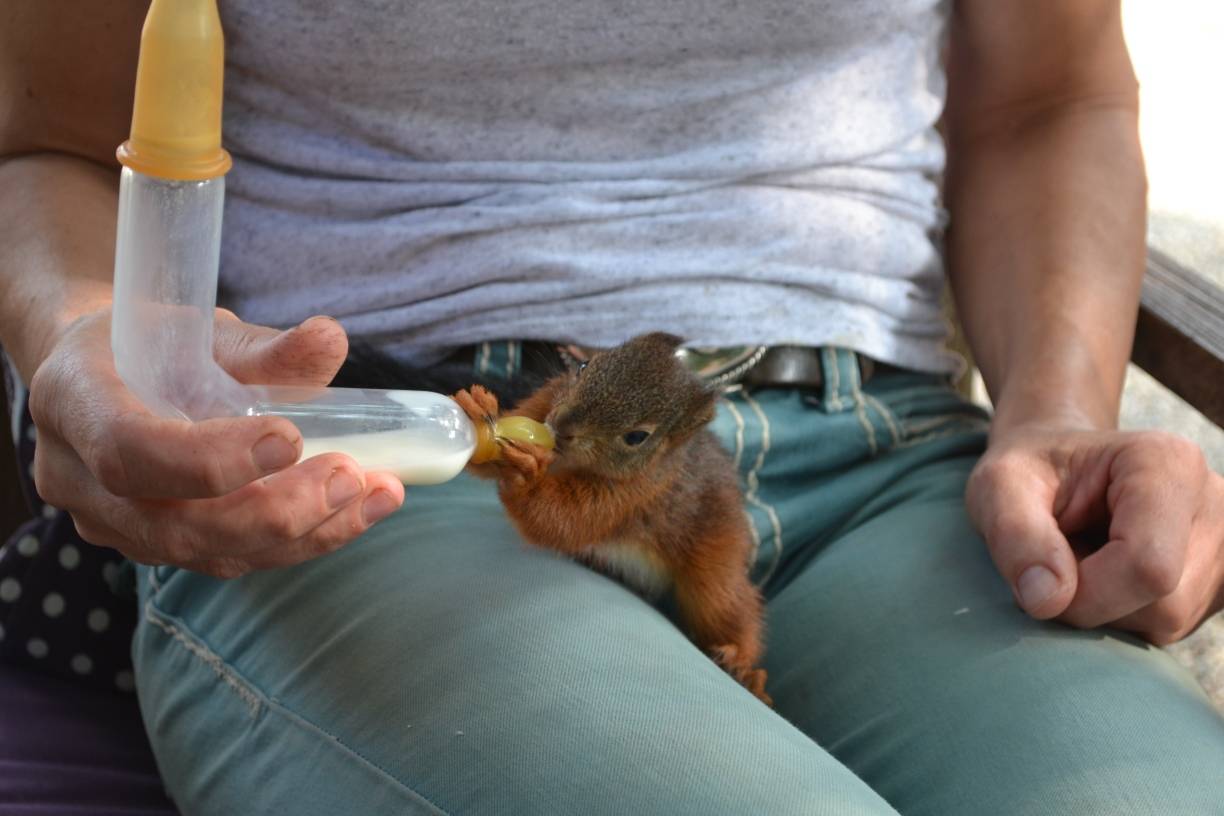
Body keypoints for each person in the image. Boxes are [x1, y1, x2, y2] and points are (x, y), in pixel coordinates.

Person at [2, 1, 1223, 813]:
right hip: (398, 471)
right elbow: (50, 136)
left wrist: (1055, 420)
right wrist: (83, 344)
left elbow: (1050, 101)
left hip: (881, 467)